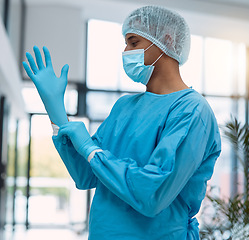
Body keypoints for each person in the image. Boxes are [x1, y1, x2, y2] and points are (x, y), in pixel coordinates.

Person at [23, 5, 221, 240]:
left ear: (167, 40)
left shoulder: (193, 111)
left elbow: (154, 194)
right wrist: (57, 114)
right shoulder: (125, 106)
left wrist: (91, 150)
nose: (126, 51)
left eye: (133, 42)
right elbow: (87, 174)